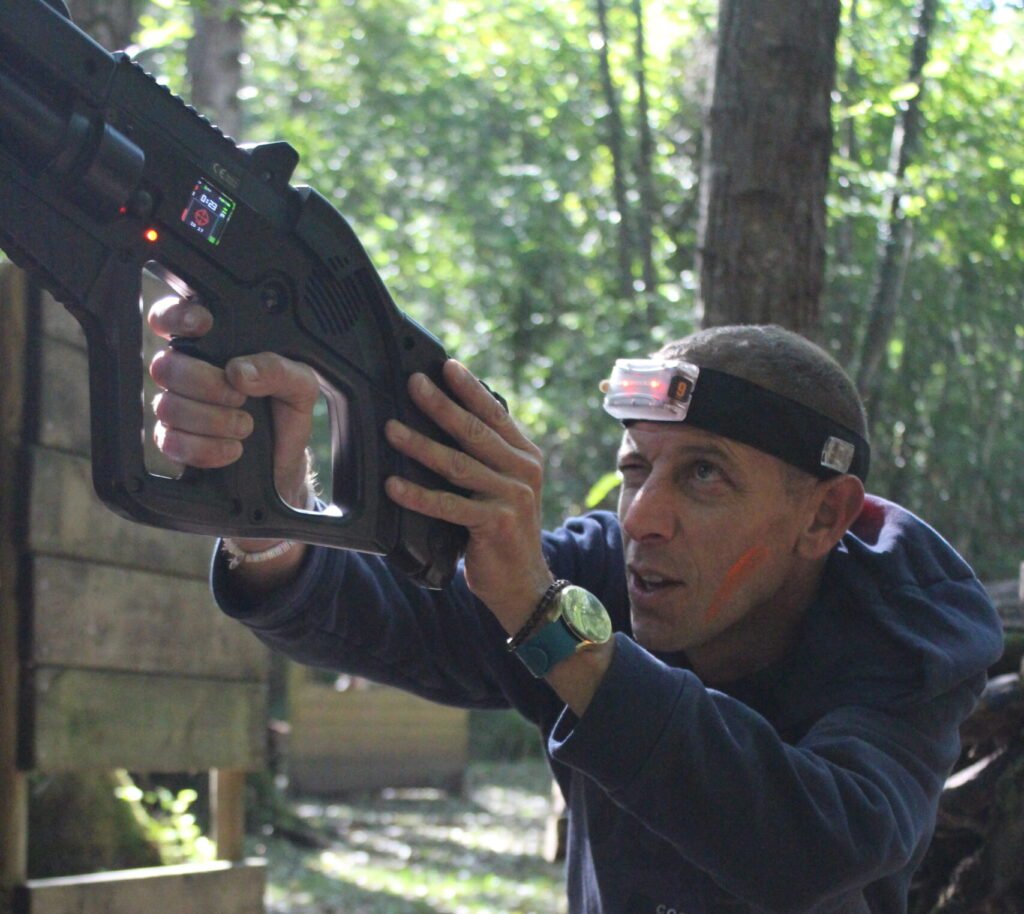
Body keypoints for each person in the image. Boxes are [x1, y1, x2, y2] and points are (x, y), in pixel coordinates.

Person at [148, 303, 1002, 914]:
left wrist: (550, 622)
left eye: (703, 475)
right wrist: (268, 508)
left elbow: (819, 844)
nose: (643, 517)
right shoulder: (602, 570)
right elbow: (395, 615)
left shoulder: (908, 627)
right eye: (637, 469)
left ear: (822, 517)